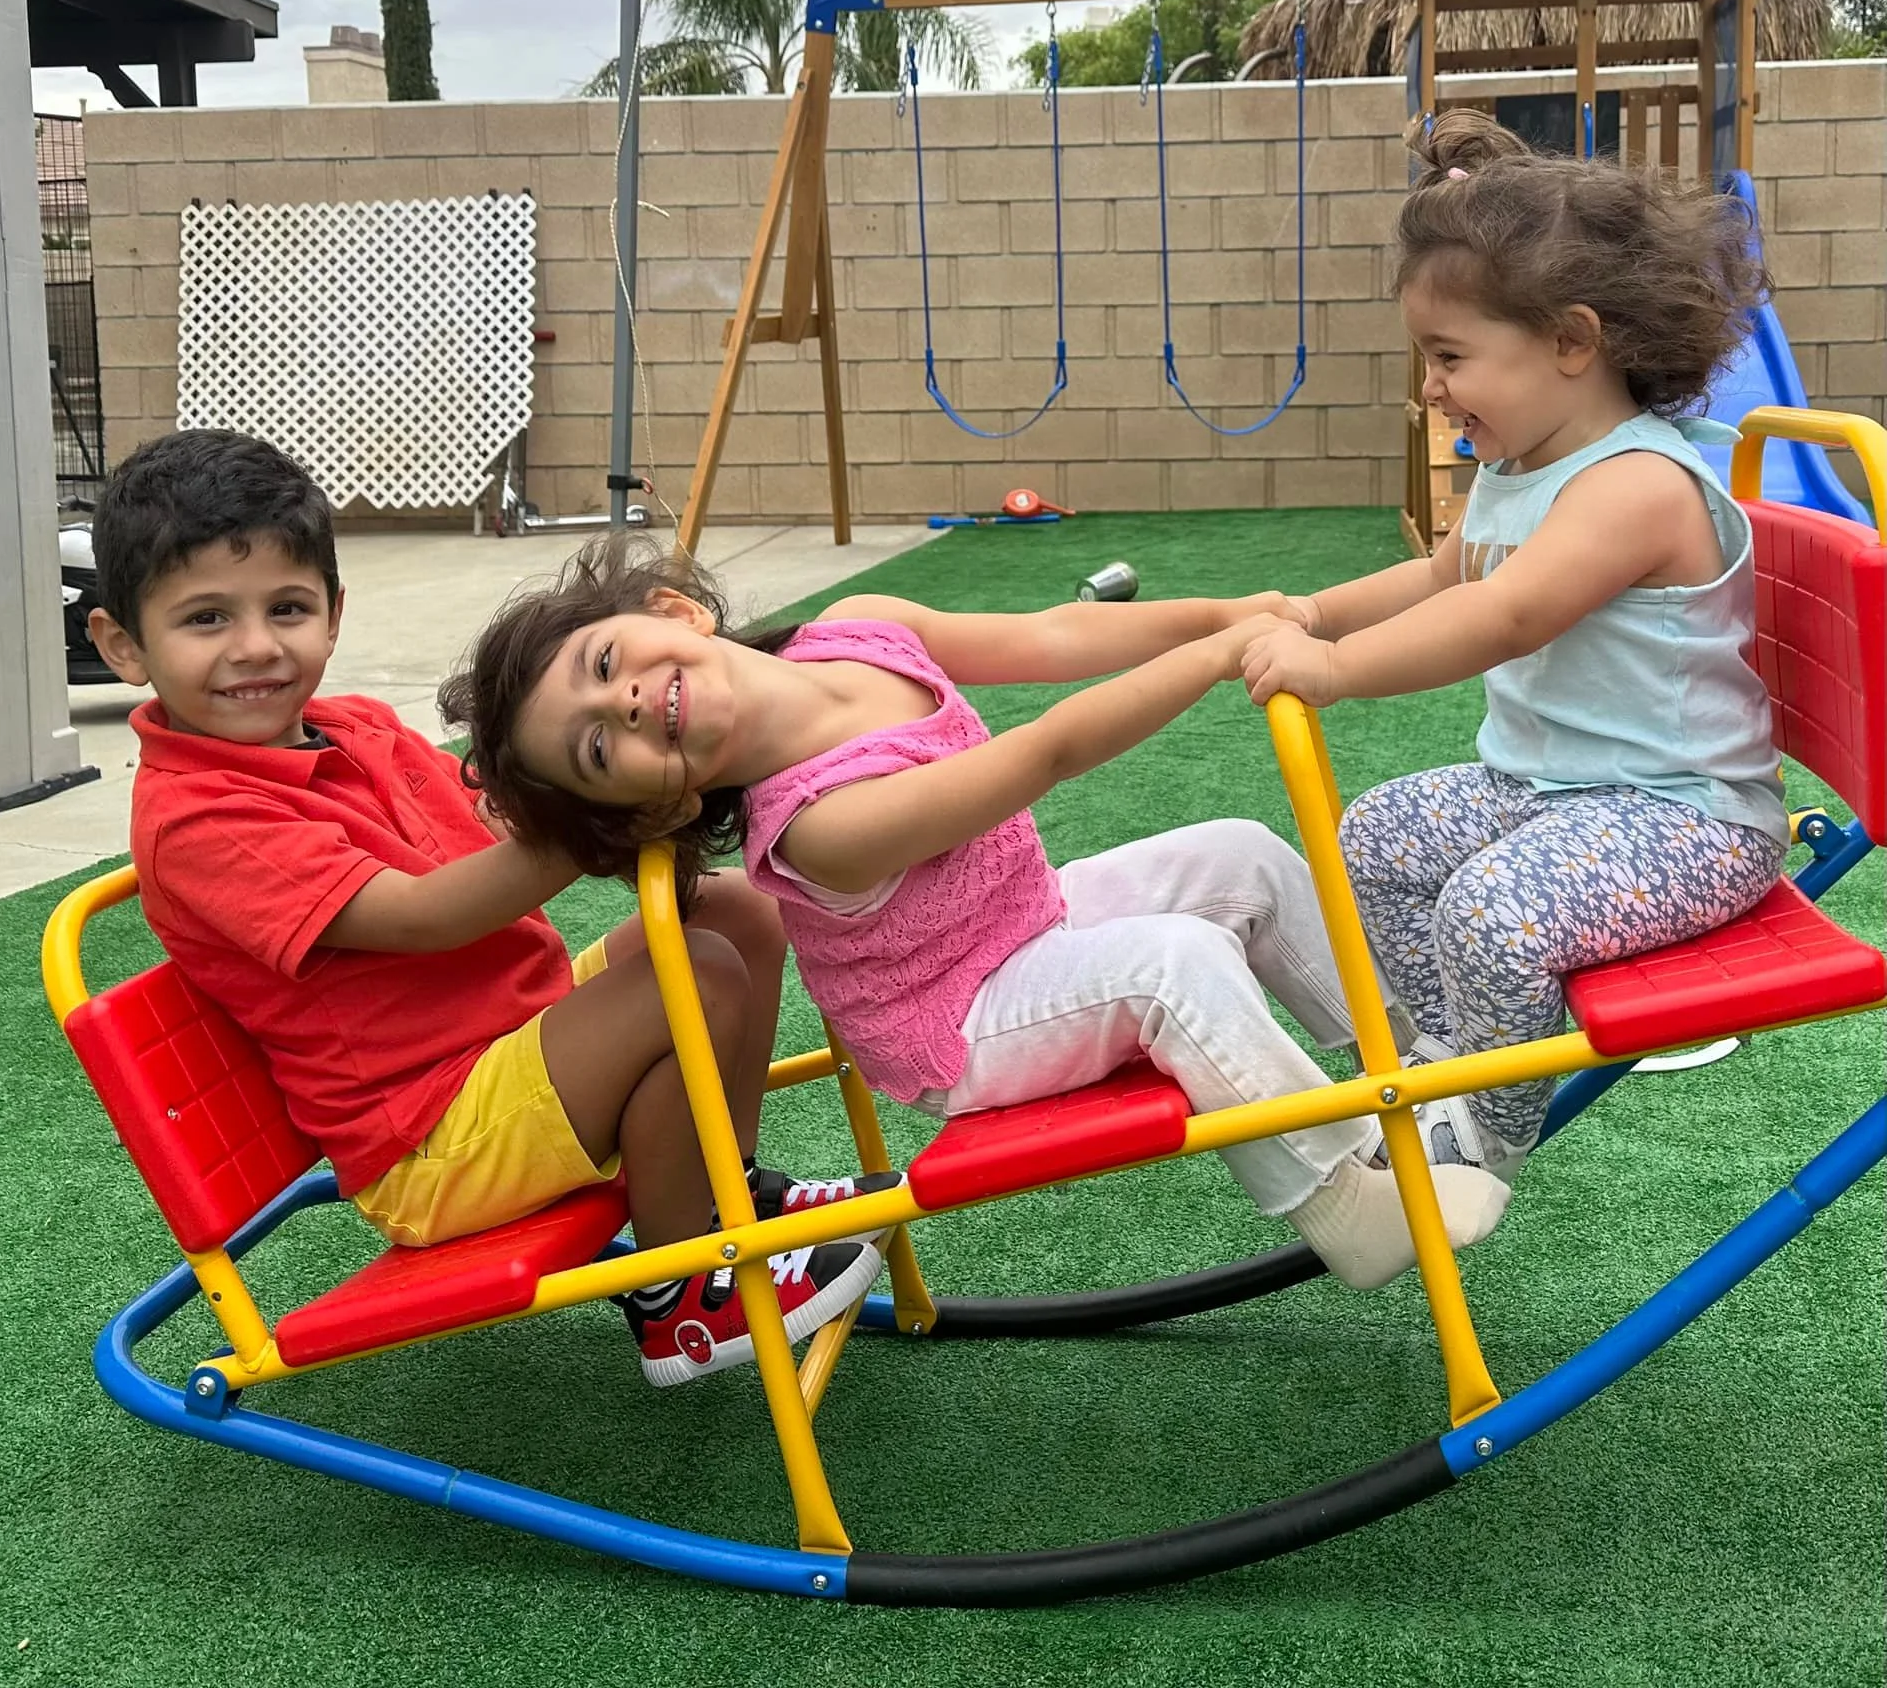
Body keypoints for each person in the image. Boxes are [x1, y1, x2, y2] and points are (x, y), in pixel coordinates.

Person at [440, 545, 1512, 1293]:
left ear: (674, 613)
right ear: (660, 804)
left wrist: (1228, 612)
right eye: (594, 747)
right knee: (1172, 961)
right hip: (961, 1024)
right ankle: (1342, 1205)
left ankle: (1414, 1070)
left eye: (601, 663)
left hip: (1024, 921)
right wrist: (1215, 657)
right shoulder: (815, 823)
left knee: (1236, 852)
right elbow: (1041, 751)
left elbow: (1051, 635)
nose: (617, 702)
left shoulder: (859, 634)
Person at [87, 429, 892, 1388]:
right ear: (122, 644)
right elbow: (429, 915)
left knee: (730, 915)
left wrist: (626, 750)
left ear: (334, 615)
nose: (257, 646)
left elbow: (497, 811)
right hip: (431, 1138)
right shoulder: (200, 817)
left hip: (511, 1042)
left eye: (287, 608)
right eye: (207, 619)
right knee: (701, 978)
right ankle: (681, 1294)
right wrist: (600, 820)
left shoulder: (360, 729)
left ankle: (726, 1198)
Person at [1238, 111, 1788, 1177]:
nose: (1430, 385)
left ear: (1572, 342)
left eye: (1449, 356)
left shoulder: (1635, 484)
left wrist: (1338, 672)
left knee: (1492, 910)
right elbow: (1443, 575)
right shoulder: (1512, 467)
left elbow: (1506, 612)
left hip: (1682, 817)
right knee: (1381, 835)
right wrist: (1315, 612)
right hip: (1548, 788)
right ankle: (1449, 1047)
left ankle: (1483, 1122)